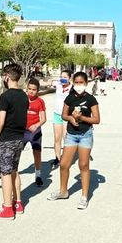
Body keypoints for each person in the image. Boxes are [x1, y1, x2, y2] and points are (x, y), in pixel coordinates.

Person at [48, 71, 100, 210]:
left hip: (85, 135)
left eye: (81, 83)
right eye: (76, 82)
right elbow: (64, 114)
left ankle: (84, 196)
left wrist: (81, 118)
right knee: (64, 164)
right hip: (71, 135)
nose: (78, 85)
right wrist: (71, 118)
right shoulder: (69, 98)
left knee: (83, 165)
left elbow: (97, 119)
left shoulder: (91, 99)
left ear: (86, 83)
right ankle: (63, 191)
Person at [0, 63, 29, 220]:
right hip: (19, 138)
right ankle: (18, 203)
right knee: (14, 171)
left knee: (5, 173)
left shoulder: (5, 96)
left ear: (7, 77)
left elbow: (1, 121)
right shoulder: (23, 95)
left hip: (6, 139)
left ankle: (7, 208)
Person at [23, 78, 47, 187]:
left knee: (37, 153)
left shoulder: (40, 101)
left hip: (35, 132)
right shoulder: (22, 99)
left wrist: (36, 125)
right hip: (22, 131)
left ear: (37, 90)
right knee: (15, 152)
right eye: (29, 89)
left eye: (34, 89)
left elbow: (43, 118)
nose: (31, 91)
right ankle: (8, 172)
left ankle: (38, 174)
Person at [51, 69, 72, 170]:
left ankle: (66, 158)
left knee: (66, 137)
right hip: (57, 114)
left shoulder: (72, 88)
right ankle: (57, 157)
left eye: (65, 77)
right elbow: (49, 83)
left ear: (69, 78)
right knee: (57, 138)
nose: (63, 79)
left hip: (66, 115)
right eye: (61, 76)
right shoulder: (58, 84)